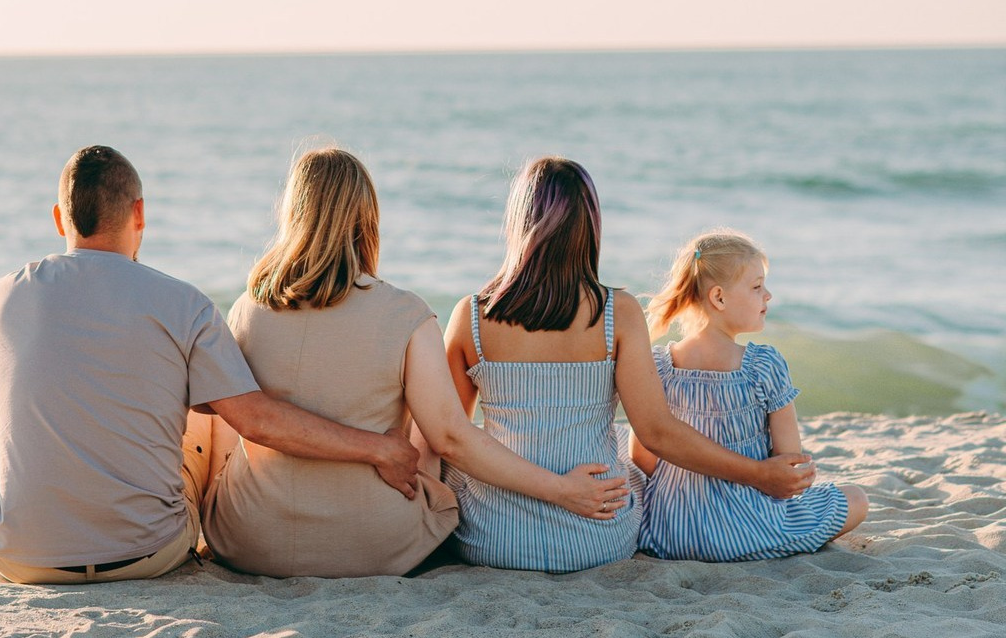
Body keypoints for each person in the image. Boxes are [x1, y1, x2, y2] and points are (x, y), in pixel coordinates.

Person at [0, 145, 419, 584]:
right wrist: (378, 448)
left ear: (60, 219)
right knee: (211, 406)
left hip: (22, 558)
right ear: (139, 213)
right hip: (149, 553)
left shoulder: (6, 293)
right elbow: (256, 421)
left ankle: (13, 514)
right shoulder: (184, 302)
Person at [201, 148, 630, 578]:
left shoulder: (245, 308)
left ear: (292, 215)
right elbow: (449, 438)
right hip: (376, 544)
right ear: (367, 217)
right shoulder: (406, 313)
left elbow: (249, 417)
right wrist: (559, 489)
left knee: (217, 409)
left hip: (248, 541)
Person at [443, 157, 820, 573]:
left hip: (491, 539)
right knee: (626, 464)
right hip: (597, 537)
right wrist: (758, 475)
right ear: (591, 224)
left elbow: (451, 437)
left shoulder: (471, 316)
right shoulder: (616, 312)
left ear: (517, 223)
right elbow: (657, 433)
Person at [631, 229, 868, 560]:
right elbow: (789, 458)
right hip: (746, 530)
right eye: (757, 287)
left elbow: (643, 458)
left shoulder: (658, 365)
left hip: (668, 531)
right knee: (856, 498)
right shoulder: (763, 365)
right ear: (719, 298)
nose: (767, 295)